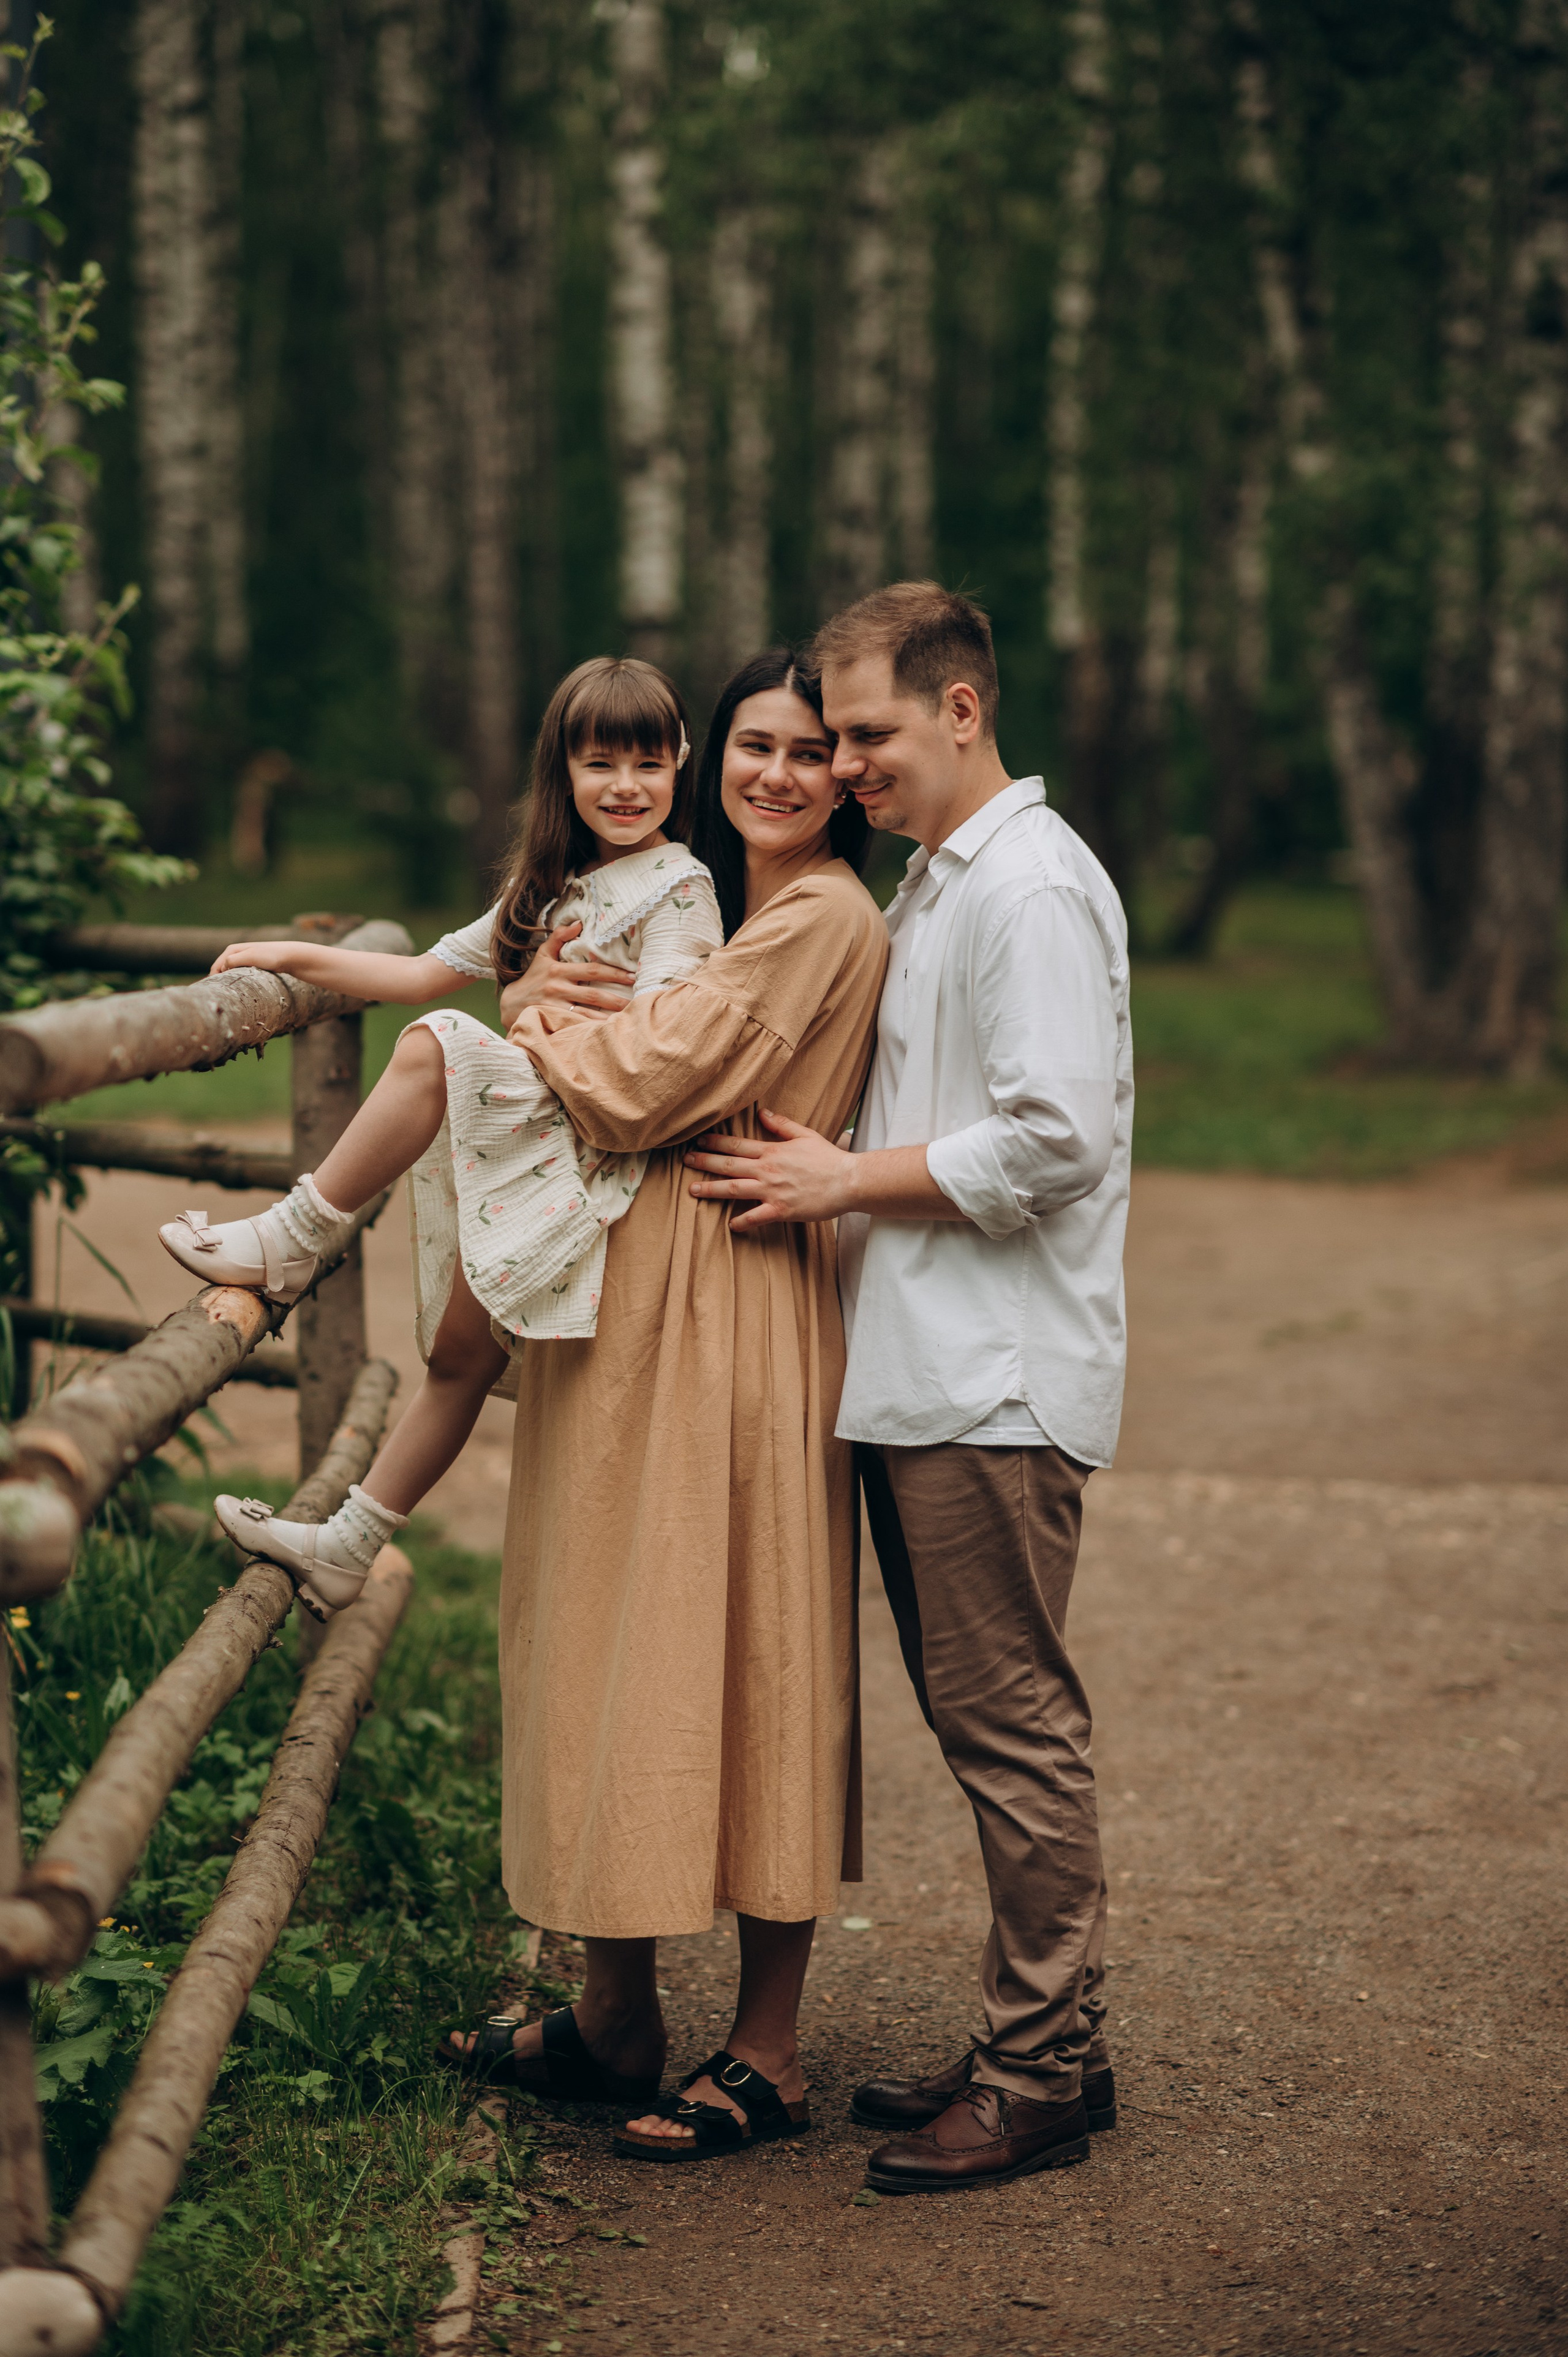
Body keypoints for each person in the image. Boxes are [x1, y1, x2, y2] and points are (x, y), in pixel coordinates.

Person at [683, 583, 1133, 2193]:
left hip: (994, 1381)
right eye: (834, 734)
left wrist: (844, 1183)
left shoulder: (1026, 889)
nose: (846, 761)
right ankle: (1046, 2033)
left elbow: (1055, 1135)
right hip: (927, 1369)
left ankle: (1035, 2083)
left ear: (960, 708)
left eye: (867, 731)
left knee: (1012, 1728)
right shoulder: (949, 884)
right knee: (980, 1718)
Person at [437, 648, 889, 2159]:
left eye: (807, 751)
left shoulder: (820, 913)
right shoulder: (713, 899)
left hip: (740, 1311)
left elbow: (647, 1081)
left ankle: (767, 2048)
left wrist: (534, 1026)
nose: (775, 773)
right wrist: (534, 992)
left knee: (751, 1635)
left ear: (847, 777)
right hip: (628, 1316)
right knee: (595, 1624)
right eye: (753, 745)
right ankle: (612, 2011)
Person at [155, 657, 722, 1620]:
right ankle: (348, 1546)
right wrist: (285, 953)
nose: (625, 788)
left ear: (679, 763)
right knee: (459, 1360)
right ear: (564, 772)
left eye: (646, 763)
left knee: (440, 1046)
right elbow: (420, 971)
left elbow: (663, 1041)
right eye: (599, 765)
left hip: (593, 1160)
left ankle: (295, 1239)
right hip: (535, 1151)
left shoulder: (680, 889)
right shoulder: (555, 887)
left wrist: (536, 1025)